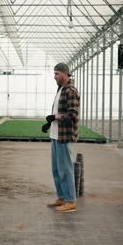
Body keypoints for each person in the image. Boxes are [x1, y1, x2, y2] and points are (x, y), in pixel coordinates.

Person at [43, 62, 80, 212]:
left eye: (57, 74)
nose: (54, 77)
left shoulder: (71, 90)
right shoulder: (61, 89)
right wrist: (50, 123)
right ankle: (62, 197)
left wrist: (55, 116)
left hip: (64, 137)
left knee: (65, 169)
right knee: (56, 170)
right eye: (54, 73)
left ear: (65, 74)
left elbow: (73, 115)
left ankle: (71, 201)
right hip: (55, 135)